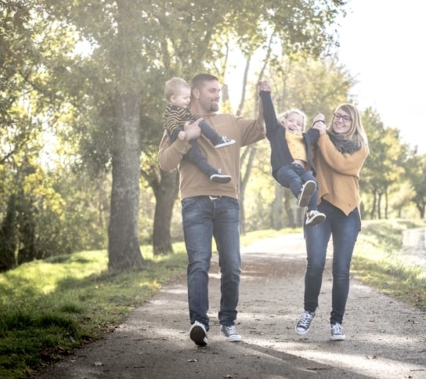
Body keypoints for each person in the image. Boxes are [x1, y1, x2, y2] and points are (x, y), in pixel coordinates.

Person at [158, 73, 265, 347]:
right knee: (199, 263)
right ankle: (199, 324)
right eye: (212, 90)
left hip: (228, 201)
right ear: (195, 93)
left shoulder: (231, 121)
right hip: (195, 201)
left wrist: (263, 99)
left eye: (219, 90)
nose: (218, 95)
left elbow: (261, 128)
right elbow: (165, 163)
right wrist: (185, 138)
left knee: (232, 265)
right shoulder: (178, 122)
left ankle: (228, 321)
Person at [294, 103, 369, 341]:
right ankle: (309, 312)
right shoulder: (320, 138)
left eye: (346, 118)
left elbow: (340, 163)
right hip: (320, 206)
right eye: (337, 116)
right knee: (315, 263)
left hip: (347, 212)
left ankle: (337, 322)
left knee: (341, 269)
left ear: (354, 123)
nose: (339, 120)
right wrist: (313, 130)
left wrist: (322, 133)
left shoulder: (360, 148)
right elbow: (302, 152)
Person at [257, 80, 325, 226]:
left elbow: (315, 131)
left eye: (298, 123)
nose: (294, 124)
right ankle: (301, 195)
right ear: (284, 121)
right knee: (295, 180)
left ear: (302, 128)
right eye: (291, 121)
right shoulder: (277, 132)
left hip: (301, 170)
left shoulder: (304, 138)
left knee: (313, 182)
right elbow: (269, 116)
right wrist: (265, 94)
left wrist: (320, 120)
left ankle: (312, 212)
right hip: (284, 169)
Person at [163, 77, 236, 184]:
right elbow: (170, 123)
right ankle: (217, 141)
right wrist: (180, 132)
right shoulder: (172, 111)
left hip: (190, 145)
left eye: (188, 98)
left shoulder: (182, 110)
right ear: (173, 99)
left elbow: (191, 118)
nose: (188, 100)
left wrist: (198, 121)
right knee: (199, 156)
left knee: (199, 159)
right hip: (184, 144)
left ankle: (213, 173)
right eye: (185, 98)